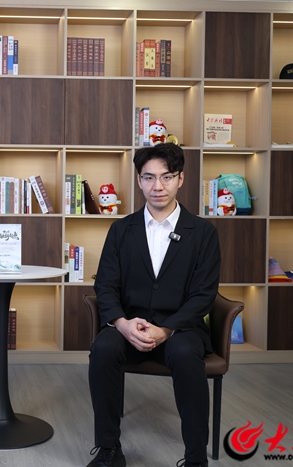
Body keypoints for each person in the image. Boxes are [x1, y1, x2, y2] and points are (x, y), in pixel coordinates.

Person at [87, 143, 221, 467]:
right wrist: (122, 324)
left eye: (166, 177)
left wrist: (167, 329)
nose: (157, 186)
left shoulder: (203, 232)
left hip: (180, 329)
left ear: (180, 179)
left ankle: (195, 459)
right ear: (139, 180)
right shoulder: (121, 230)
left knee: (185, 354)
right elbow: (105, 285)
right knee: (103, 348)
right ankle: (109, 450)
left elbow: (204, 294)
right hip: (129, 326)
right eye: (149, 177)